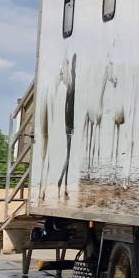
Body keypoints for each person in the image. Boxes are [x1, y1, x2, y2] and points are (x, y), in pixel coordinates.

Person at [57, 53, 76, 199]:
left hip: (68, 124)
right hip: (69, 125)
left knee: (68, 155)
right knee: (68, 156)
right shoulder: (71, 87)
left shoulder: (68, 88)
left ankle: (63, 183)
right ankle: (62, 183)